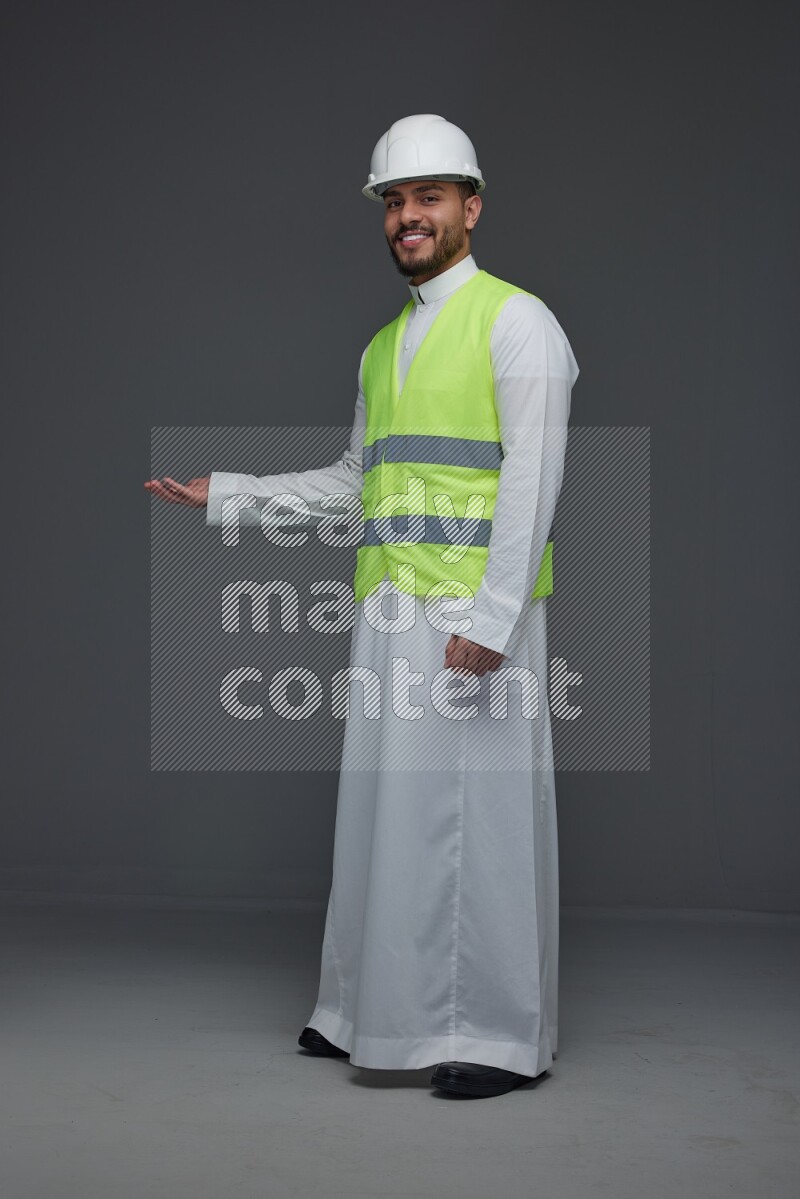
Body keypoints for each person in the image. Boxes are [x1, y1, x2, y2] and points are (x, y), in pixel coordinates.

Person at [146, 113, 579, 1099]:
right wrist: (233, 492)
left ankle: (502, 1037)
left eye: (426, 197)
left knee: (482, 828)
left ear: (470, 205)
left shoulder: (518, 321)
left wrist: (494, 618)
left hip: (473, 616)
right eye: (393, 201)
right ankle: (364, 1012)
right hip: (389, 613)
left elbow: (532, 482)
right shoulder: (383, 347)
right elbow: (356, 482)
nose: (406, 216)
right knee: (385, 819)